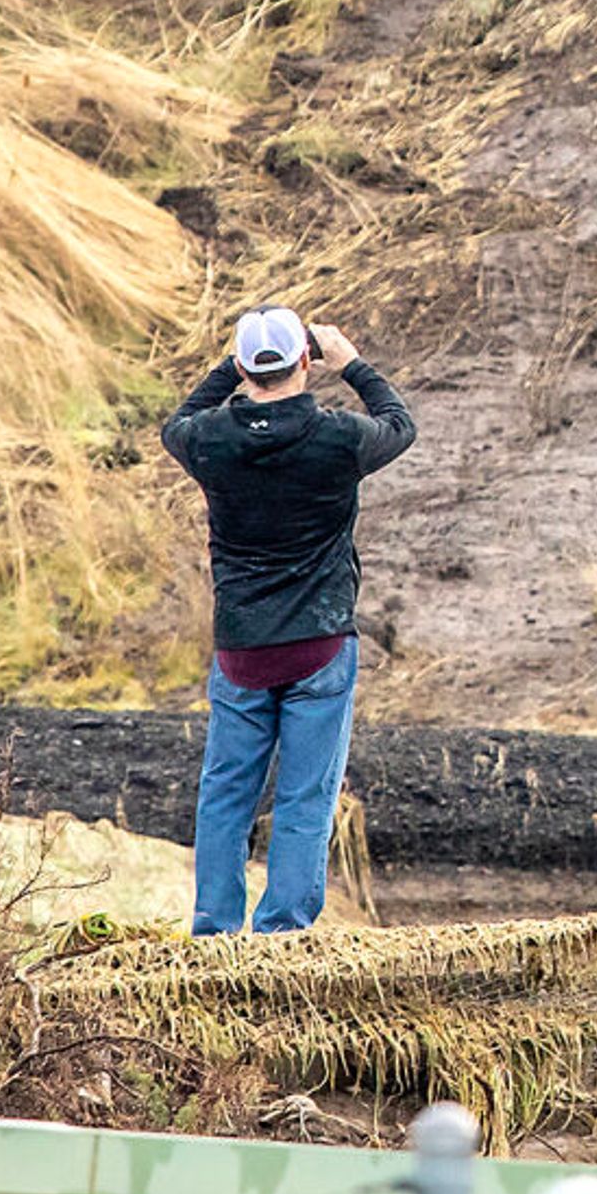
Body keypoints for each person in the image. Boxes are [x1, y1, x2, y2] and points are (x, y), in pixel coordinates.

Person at [161, 305, 416, 934]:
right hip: (321, 646)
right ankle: (283, 931)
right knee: (306, 797)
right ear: (306, 361)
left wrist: (231, 367)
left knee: (225, 795)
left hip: (243, 649)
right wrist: (351, 362)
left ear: (245, 367)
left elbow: (177, 422)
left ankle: (215, 927)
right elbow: (400, 424)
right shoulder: (338, 438)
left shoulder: (210, 442)